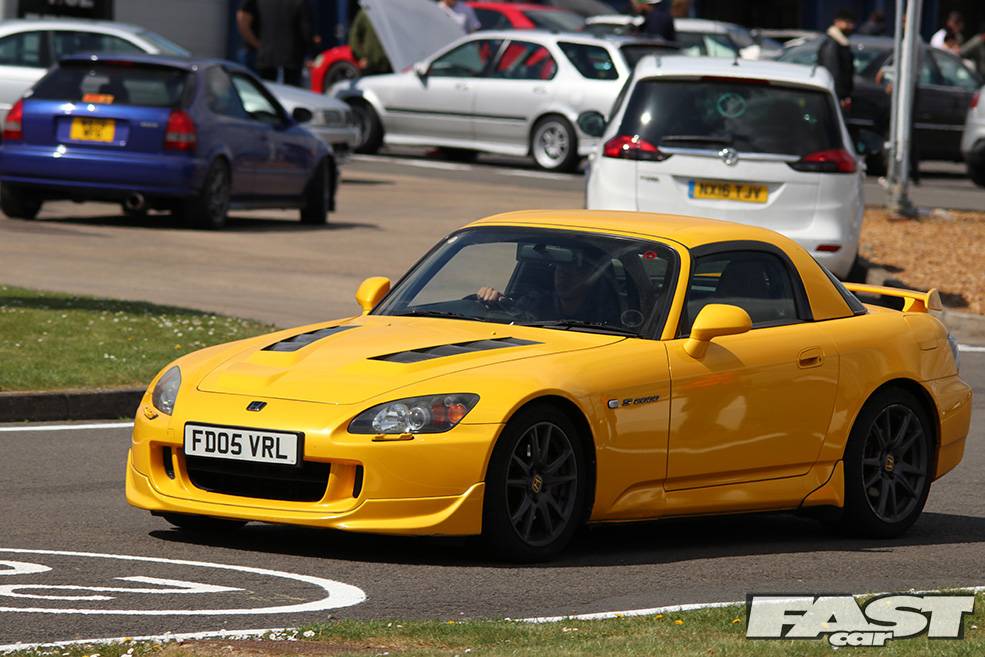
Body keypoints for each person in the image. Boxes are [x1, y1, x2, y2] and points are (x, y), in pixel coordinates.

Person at [477, 259, 619, 325]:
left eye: (574, 272)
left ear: (592, 280)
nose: (564, 276)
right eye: (560, 269)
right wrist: (494, 304)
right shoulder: (534, 303)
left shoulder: (605, 315)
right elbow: (510, 317)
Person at [237, 0, 317, 87]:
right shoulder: (301, 3)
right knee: (291, 91)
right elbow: (306, 31)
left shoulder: (261, 2)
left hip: (267, 56)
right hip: (291, 57)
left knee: (266, 89)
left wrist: (261, 47)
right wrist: (312, 52)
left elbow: (243, 21)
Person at [817, 9, 856, 112]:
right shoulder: (833, 44)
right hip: (834, 96)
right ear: (836, 23)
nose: (850, 26)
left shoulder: (841, 42)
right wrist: (839, 97)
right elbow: (833, 71)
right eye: (847, 23)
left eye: (852, 23)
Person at [349, 7, 392, 76]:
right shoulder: (365, 13)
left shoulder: (390, 12)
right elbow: (354, 36)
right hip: (371, 63)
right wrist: (361, 56)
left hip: (391, 64)